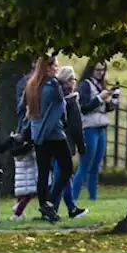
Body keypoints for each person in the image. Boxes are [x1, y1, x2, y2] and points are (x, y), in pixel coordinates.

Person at [19, 55, 71, 223]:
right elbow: (59, 107)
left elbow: (25, 109)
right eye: (55, 66)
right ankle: (49, 201)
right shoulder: (52, 85)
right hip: (54, 134)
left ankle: (44, 205)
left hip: (38, 135)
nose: (57, 69)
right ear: (47, 68)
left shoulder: (32, 85)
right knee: (66, 168)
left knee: (43, 173)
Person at [73, 60, 116, 201]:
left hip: (101, 127)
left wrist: (110, 101)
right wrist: (99, 98)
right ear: (91, 70)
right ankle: (73, 198)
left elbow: (107, 109)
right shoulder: (85, 85)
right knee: (86, 164)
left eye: (103, 70)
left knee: (96, 165)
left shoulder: (100, 85)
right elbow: (84, 107)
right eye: (97, 70)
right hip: (89, 127)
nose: (100, 73)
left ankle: (93, 198)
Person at [52, 67, 87, 219]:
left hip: (52, 141)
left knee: (64, 176)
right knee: (63, 176)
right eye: (73, 79)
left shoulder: (54, 97)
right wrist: (81, 146)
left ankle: (70, 207)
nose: (74, 82)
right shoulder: (71, 101)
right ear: (68, 81)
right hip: (66, 143)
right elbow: (76, 126)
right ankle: (52, 207)